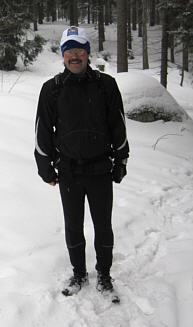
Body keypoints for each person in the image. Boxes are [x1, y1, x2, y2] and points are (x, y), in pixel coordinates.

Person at [34, 26, 129, 297]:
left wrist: (121, 159)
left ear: (87, 53)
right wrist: (45, 165)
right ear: (63, 56)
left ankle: (105, 275)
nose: (74, 56)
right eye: (69, 51)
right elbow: (43, 131)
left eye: (79, 51)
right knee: (73, 226)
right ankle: (78, 274)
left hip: (100, 168)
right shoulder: (51, 89)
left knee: (103, 226)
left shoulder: (105, 85)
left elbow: (118, 125)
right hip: (68, 171)